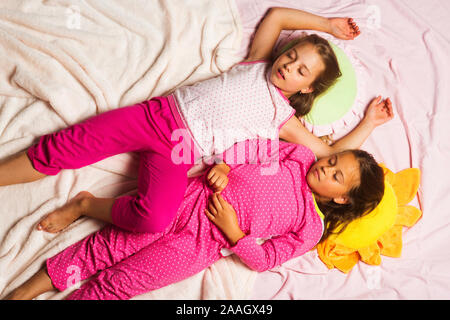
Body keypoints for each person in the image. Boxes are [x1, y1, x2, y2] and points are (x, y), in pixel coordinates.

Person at [0, 7, 392, 235]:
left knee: (154, 219)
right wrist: (328, 26)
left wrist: (370, 123)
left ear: (306, 88)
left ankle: (85, 205)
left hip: (182, 153)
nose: (289, 65)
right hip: (155, 117)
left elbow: (330, 152)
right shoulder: (256, 63)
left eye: (301, 69)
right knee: (62, 147)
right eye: (292, 56)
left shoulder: (284, 120)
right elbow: (276, 15)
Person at [4, 138, 385, 300]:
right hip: (190, 198)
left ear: (340, 198)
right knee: (104, 249)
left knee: (121, 283)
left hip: (202, 245)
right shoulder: (298, 156)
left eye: (336, 175)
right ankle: (25, 292)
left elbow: (266, 260)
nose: (326, 166)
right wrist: (224, 165)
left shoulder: (310, 226)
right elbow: (251, 148)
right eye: (333, 159)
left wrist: (235, 232)